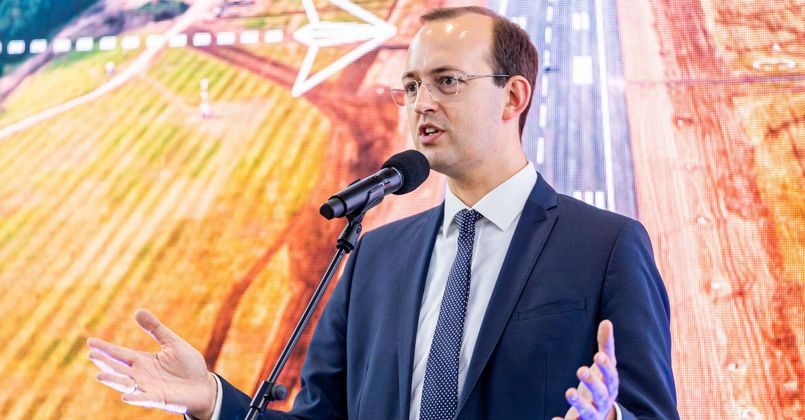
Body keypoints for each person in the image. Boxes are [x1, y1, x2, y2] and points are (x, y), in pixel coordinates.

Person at [87, 6, 678, 420]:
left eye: (447, 81)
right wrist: (212, 400)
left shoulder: (607, 247)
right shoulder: (374, 255)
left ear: (513, 96)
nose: (422, 104)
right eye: (412, 86)